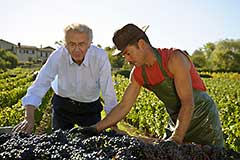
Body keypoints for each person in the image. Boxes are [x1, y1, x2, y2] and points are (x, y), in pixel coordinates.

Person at [82, 23, 224, 147]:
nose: (127, 60)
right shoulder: (138, 73)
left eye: (128, 53)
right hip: (177, 119)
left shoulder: (175, 59)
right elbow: (124, 106)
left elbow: (187, 102)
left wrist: (177, 137)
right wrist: (95, 128)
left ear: (142, 44)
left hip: (203, 119)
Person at [13, 23, 117, 134]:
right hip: (63, 106)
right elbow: (40, 85)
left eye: (81, 44)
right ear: (65, 44)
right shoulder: (57, 56)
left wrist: (113, 124)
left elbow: (108, 91)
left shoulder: (100, 57)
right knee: (59, 143)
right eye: (72, 44)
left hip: (90, 108)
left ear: (89, 44)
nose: (77, 49)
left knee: (91, 145)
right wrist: (29, 117)